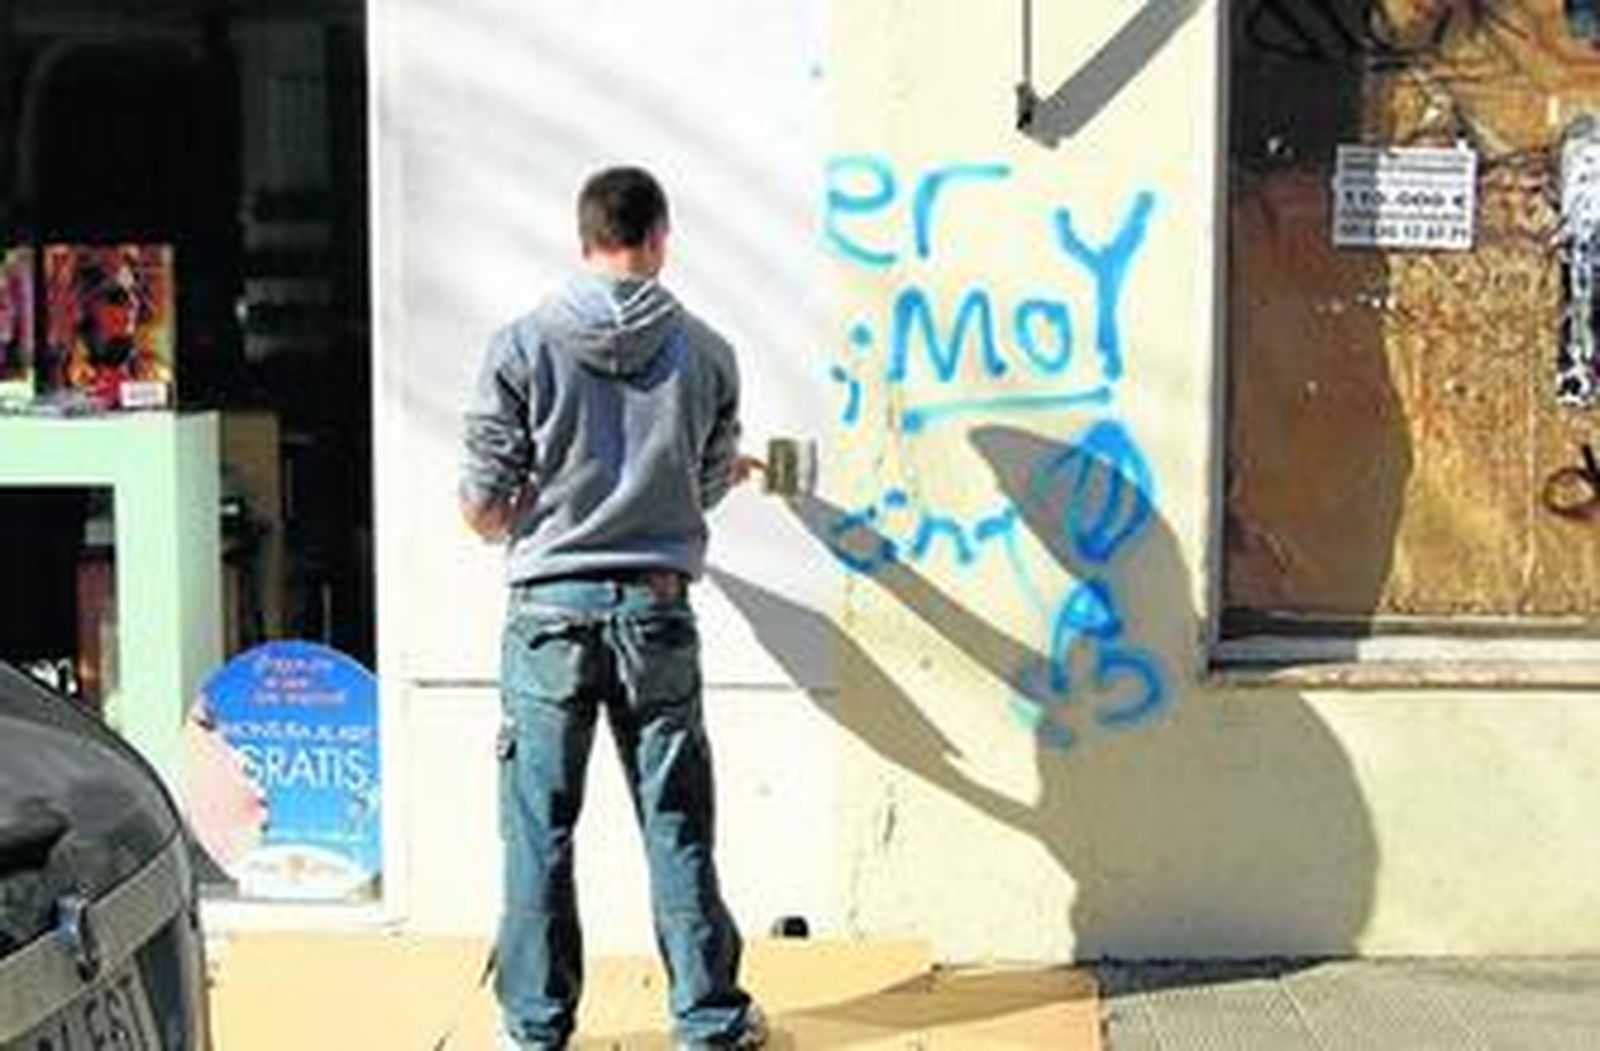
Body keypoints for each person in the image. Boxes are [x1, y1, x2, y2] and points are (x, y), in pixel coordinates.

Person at [459, 166, 766, 1051]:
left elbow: (482, 505)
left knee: (539, 827)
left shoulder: (519, 346)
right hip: (658, 614)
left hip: (549, 617)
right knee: (676, 819)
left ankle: (536, 1027)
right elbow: (705, 484)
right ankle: (708, 1018)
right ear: (660, 238)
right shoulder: (708, 352)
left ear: (583, 236)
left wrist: (530, 514)